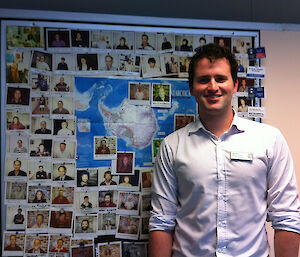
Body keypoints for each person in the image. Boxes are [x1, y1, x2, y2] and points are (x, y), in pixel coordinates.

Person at [149, 44, 300, 257]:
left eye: (220, 79)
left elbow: (286, 218)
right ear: (191, 88)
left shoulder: (269, 140)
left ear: (235, 85)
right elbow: (161, 222)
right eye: (203, 80)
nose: (212, 87)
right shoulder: (172, 146)